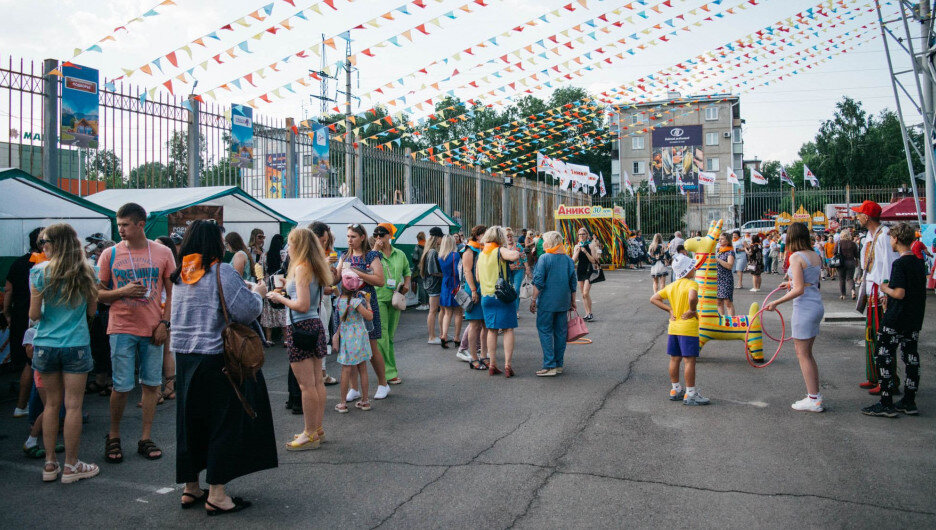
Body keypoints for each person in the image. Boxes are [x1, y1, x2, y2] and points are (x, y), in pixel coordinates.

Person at [170, 220, 276, 514]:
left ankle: (190, 487)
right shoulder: (222, 272)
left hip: (184, 357)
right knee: (223, 422)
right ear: (215, 243)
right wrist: (259, 291)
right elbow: (248, 310)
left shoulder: (181, 274)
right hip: (216, 357)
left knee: (189, 422)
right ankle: (217, 494)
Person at [97, 203, 174, 464]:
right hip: (121, 327)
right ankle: (114, 435)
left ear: (141, 224)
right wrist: (122, 292)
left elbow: (173, 292)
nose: (120, 230)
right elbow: (97, 293)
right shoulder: (110, 254)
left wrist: (165, 324)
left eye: (125, 225)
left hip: (152, 328)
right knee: (120, 385)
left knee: (151, 385)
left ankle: (145, 437)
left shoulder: (162, 252)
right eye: (118, 225)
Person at [29, 224, 100, 483]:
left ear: (54, 243)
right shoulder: (89, 271)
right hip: (76, 345)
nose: (43, 246)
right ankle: (71, 466)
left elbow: (34, 315)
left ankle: (50, 465)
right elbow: (93, 311)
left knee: (51, 406)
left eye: (45, 241)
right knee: (73, 407)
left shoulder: (38, 272)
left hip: (45, 345)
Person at [267, 228, 332, 449]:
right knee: (315, 382)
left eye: (291, 243)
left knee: (306, 385)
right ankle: (317, 428)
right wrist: (288, 288)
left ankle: (309, 432)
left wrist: (279, 297)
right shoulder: (314, 266)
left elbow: (302, 305)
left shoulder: (302, 268)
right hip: (314, 324)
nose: (288, 248)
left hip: (301, 326)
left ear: (299, 245)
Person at [861, 223, 926, 417]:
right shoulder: (918, 262)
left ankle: (886, 400)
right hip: (914, 316)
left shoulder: (899, 264)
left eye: (891, 238)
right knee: (911, 357)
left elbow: (899, 292)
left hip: (896, 316)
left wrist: (884, 288)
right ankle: (909, 400)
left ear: (896, 239)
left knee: (884, 355)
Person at [764, 223, 826, 412]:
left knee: (803, 354)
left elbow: (799, 289)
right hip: (816, 304)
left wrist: (776, 302)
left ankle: (813, 398)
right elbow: (809, 281)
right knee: (807, 353)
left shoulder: (796, 257)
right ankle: (814, 395)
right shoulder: (815, 254)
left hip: (805, 307)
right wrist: (789, 283)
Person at [338, 224, 390, 401]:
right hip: (348, 305)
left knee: (371, 344)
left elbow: (380, 280)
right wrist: (330, 269)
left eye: (353, 236)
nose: (349, 240)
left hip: (367, 302)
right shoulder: (344, 256)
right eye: (347, 236)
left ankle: (383, 383)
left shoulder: (371, 255)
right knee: (351, 345)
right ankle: (354, 388)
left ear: (362, 237)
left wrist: (358, 272)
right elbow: (335, 279)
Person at [649, 254, 709, 406]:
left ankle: (675, 389)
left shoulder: (672, 285)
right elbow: (693, 297)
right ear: (687, 271)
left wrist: (669, 309)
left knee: (674, 358)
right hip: (688, 328)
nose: (694, 269)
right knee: (689, 361)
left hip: (674, 327)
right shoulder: (692, 284)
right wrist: (692, 310)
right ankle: (690, 393)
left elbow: (653, 298)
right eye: (692, 267)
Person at [854, 200, 898, 395]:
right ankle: (874, 376)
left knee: (882, 337)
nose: (857, 217)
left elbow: (888, 265)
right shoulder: (869, 237)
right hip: (871, 289)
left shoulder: (883, 236)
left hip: (880, 291)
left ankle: (887, 379)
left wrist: (885, 293)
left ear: (867, 217)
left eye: (859, 214)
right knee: (871, 335)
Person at [4, 227, 43, 418]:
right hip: (37, 318)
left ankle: (29, 406)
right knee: (32, 363)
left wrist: (7, 313)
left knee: (29, 361)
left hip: (20, 314)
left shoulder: (18, 263)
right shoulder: (46, 264)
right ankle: (23, 406)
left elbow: (8, 289)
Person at [529, 231, 576, 377]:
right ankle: (558, 364)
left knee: (545, 330)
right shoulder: (568, 259)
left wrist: (533, 300)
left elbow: (538, 282)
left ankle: (549, 365)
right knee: (561, 332)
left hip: (547, 301)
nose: (543, 244)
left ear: (550, 243)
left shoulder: (544, 258)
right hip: (563, 301)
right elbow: (573, 282)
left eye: (544, 241)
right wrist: (573, 301)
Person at [477, 226, 521, 377]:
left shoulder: (481, 254)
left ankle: (492, 364)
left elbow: (477, 278)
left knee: (492, 330)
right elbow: (514, 256)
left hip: (486, 297)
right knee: (508, 329)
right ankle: (508, 365)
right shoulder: (499, 250)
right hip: (502, 296)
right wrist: (515, 250)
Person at [373, 223, 410, 385]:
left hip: (395, 297)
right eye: (376, 235)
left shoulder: (399, 254)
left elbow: (407, 271)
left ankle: (388, 370)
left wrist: (407, 283)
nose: (379, 238)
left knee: (390, 335)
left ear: (390, 236)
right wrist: (375, 249)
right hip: (378, 297)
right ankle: (388, 373)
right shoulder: (373, 254)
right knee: (382, 336)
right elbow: (366, 266)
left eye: (382, 234)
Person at [333, 270, 374, 413]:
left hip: (346, 338)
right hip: (360, 338)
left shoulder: (338, 301)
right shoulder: (357, 302)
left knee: (345, 370)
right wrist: (368, 303)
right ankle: (365, 401)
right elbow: (369, 317)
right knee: (363, 369)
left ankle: (343, 403)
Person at [309, 222, 339, 386]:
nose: (325, 244)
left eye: (327, 241)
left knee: (324, 335)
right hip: (314, 303)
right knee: (319, 337)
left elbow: (328, 281)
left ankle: (321, 373)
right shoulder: (308, 256)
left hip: (324, 299)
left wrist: (331, 274)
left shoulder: (323, 254)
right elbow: (310, 281)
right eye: (323, 240)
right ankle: (318, 375)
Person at [154, 236, 180, 404]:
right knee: (166, 350)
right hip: (167, 307)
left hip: (161, 308)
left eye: (158, 246)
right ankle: (168, 388)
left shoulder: (163, 263)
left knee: (156, 350)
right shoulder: (174, 265)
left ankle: (156, 391)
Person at [460, 225, 489, 370]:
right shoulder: (469, 250)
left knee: (485, 325)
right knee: (474, 325)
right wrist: (473, 290)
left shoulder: (483, 248)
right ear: (478, 235)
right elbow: (467, 271)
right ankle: (473, 357)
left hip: (484, 290)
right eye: (485, 234)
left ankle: (484, 355)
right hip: (474, 290)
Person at [260, 234, 287, 346]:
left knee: (268, 311)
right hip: (279, 283)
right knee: (282, 310)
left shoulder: (265, 255)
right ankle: (286, 339)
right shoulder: (283, 255)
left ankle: (269, 339)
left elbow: (261, 269)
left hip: (268, 284)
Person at [438, 234, 463, 351]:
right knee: (458, 313)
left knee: (447, 313)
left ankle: (443, 335)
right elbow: (458, 272)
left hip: (445, 284)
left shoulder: (440, 256)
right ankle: (457, 337)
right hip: (455, 284)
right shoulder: (456, 255)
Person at [421, 227, 444, 345]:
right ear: (437, 238)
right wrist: (445, 274)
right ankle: (431, 336)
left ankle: (438, 335)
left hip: (432, 284)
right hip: (434, 284)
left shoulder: (429, 251)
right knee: (433, 310)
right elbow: (433, 271)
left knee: (434, 310)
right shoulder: (433, 252)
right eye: (440, 237)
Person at [573, 227, 599, 322]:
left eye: (583, 234)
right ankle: (587, 313)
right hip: (580, 270)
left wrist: (585, 251)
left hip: (589, 270)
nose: (581, 236)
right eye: (580, 234)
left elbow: (594, 261)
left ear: (587, 235)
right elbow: (573, 260)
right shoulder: (577, 246)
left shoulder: (591, 245)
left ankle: (590, 312)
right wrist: (578, 250)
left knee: (585, 292)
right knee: (583, 295)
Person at [506, 228, 530, 317]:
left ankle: (515, 310)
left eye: (511, 236)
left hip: (519, 270)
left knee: (516, 289)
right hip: (507, 271)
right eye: (507, 236)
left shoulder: (518, 246)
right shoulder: (503, 247)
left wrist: (527, 268)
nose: (509, 238)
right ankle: (509, 308)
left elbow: (524, 257)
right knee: (508, 289)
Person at [714, 233, 735, 316]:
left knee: (728, 302)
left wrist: (718, 259)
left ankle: (731, 322)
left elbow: (729, 266)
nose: (719, 240)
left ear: (728, 241)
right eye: (719, 238)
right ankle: (722, 321)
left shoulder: (730, 251)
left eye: (722, 239)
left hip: (726, 279)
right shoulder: (718, 250)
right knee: (718, 301)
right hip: (717, 278)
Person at [836, 229, 859, 300]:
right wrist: (857, 261)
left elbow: (834, 252)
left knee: (841, 279)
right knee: (850, 278)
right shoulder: (852, 243)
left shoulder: (839, 243)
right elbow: (856, 254)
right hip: (851, 261)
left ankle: (843, 295)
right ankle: (853, 291)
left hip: (841, 263)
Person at [410, 232, 429, 311]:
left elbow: (415, 258)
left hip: (419, 268)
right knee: (427, 286)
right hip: (427, 268)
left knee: (421, 286)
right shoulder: (428, 246)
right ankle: (427, 304)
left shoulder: (417, 246)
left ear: (418, 238)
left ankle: (423, 304)